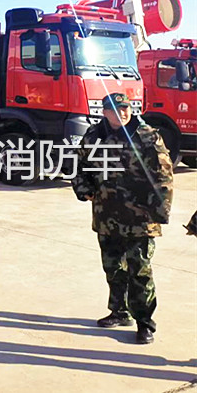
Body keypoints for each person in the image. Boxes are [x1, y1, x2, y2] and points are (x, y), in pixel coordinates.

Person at [72, 92, 174, 344]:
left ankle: (144, 323)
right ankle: (119, 311)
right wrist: (83, 189)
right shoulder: (94, 136)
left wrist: (159, 212)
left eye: (126, 108)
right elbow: (79, 164)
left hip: (140, 217)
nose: (123, 113)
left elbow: (163, 175)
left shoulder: (147, 136)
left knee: (140, 271)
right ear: (105, 112)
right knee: (113, 267)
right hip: (106, 214)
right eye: (116, 109)